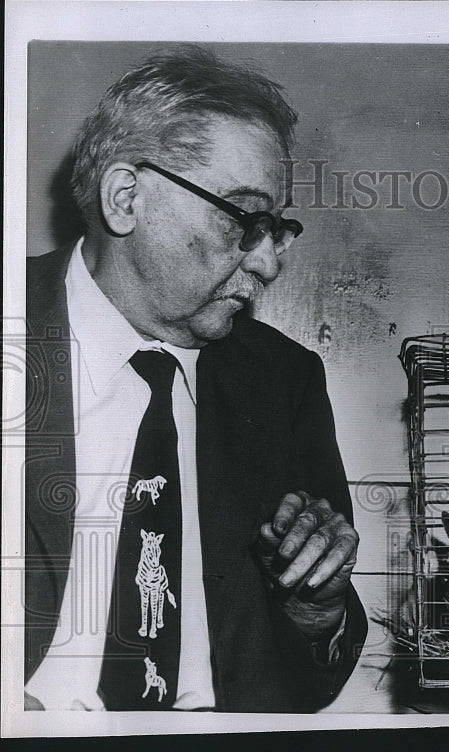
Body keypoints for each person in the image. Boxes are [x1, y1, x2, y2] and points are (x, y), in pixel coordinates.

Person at [23, 45, 366, 712]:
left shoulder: (285, 382)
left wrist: (317, 612)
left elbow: (311, 683)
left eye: (275, 229)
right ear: (126, 199)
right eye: (241, 218)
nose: (267, 265)